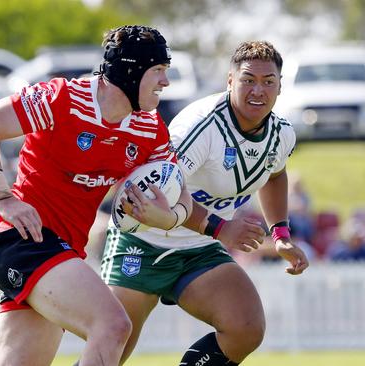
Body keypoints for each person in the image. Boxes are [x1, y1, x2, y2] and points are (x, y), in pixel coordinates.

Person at [0, 25, 193, 366]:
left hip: (64, 255)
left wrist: (169, 217)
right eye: (157, 71)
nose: (165, 82)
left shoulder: (148, 126)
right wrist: (4, 197)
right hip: (26, 242)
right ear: (131, 71)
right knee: (113, 325)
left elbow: (180, 191)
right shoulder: (63, 98)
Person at [100, 40, 309, 366]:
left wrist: (280, 236)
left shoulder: (282, 134)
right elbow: (161, 193)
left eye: (268, 82)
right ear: (230, 81)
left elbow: (275, 175)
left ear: (280, 86)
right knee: (111, 347)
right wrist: (220, 227)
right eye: (248, 80)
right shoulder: (200, 127)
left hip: (198, 247)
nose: (258, 90)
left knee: (246, 328)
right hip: (143, 240)